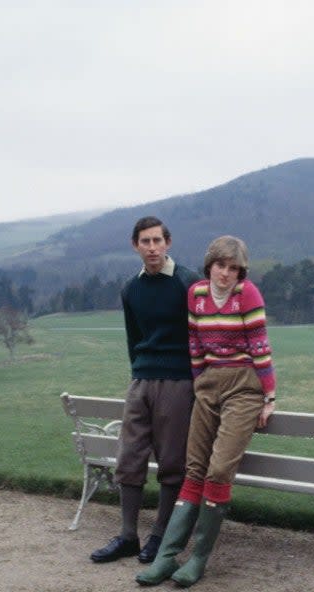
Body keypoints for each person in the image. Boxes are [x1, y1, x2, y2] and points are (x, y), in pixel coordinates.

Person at [136, 235, 276, 587]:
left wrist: (269, 396)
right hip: (209, 384)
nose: (226, 274)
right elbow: (195, 343)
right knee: (193, 469)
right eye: (220, 266)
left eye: (233, 268)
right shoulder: (196, 294)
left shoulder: (248, 294)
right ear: (209, 265)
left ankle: (197, 559)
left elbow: (260, 346)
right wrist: (201, 382)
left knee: (217, 471)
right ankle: (166, 558)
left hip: (244, 387)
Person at [89, 216, 200, 564]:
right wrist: (139, 373)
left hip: (179, 382)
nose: (151, 248)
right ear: (135, 245)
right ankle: (127, 536)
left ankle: (159, 535)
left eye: (157, 241)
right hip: (141, 381)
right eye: (145, 242)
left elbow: (201, 337)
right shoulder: (130, 289)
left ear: (168, 242)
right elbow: (133, 339)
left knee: (171, 461)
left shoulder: (188, 283)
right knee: (130, 456)